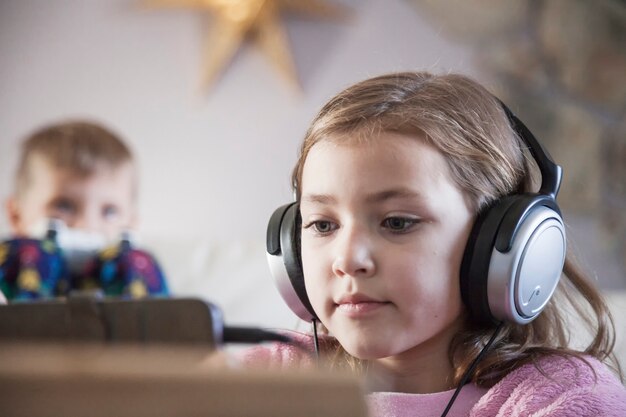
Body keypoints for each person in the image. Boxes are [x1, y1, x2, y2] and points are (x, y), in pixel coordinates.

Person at [245, 72, 626, 416]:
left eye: (397, 222)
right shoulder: (269, 379)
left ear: (497, 244)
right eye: (323, 224)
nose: (347, 259)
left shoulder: (562, 398)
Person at [1, 120, 168, 300]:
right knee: (30, 251)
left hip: (116, 314)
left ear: (132, 223)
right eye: (63, 206)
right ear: (16, 215)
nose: (87, 226)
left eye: (110, 211)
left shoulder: (131, 264)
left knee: (139, 261)